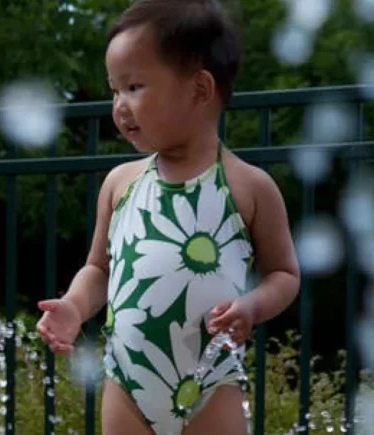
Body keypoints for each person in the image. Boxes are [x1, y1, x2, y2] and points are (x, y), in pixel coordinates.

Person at [35, 1, 300, 434]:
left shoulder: (248, 187)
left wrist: (251, 306)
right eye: (114, 90)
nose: (120, 105)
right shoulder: (121, 184)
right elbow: (99, 268)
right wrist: (74, 306)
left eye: (135, 87)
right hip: (128, 382)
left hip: (211, 382)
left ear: (199, 90)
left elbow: (284, 274)